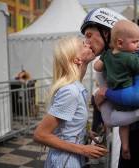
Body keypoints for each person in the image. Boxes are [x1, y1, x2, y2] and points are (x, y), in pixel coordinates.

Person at [80, 8, 139, 168]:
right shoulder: (103, 66)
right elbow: (109, 118)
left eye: (90, 35)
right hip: (131, 133)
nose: (86, 42)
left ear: (106, 34)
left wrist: (106, 92)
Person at [33, 36, 109, 168]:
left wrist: (85, 133)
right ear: (77, 59)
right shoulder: (71, 91)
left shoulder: (76, 88)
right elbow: (40, 135)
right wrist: (83, 149)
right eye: (83, 45)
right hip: (64, 162)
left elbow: (65, 128)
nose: (88, 44)